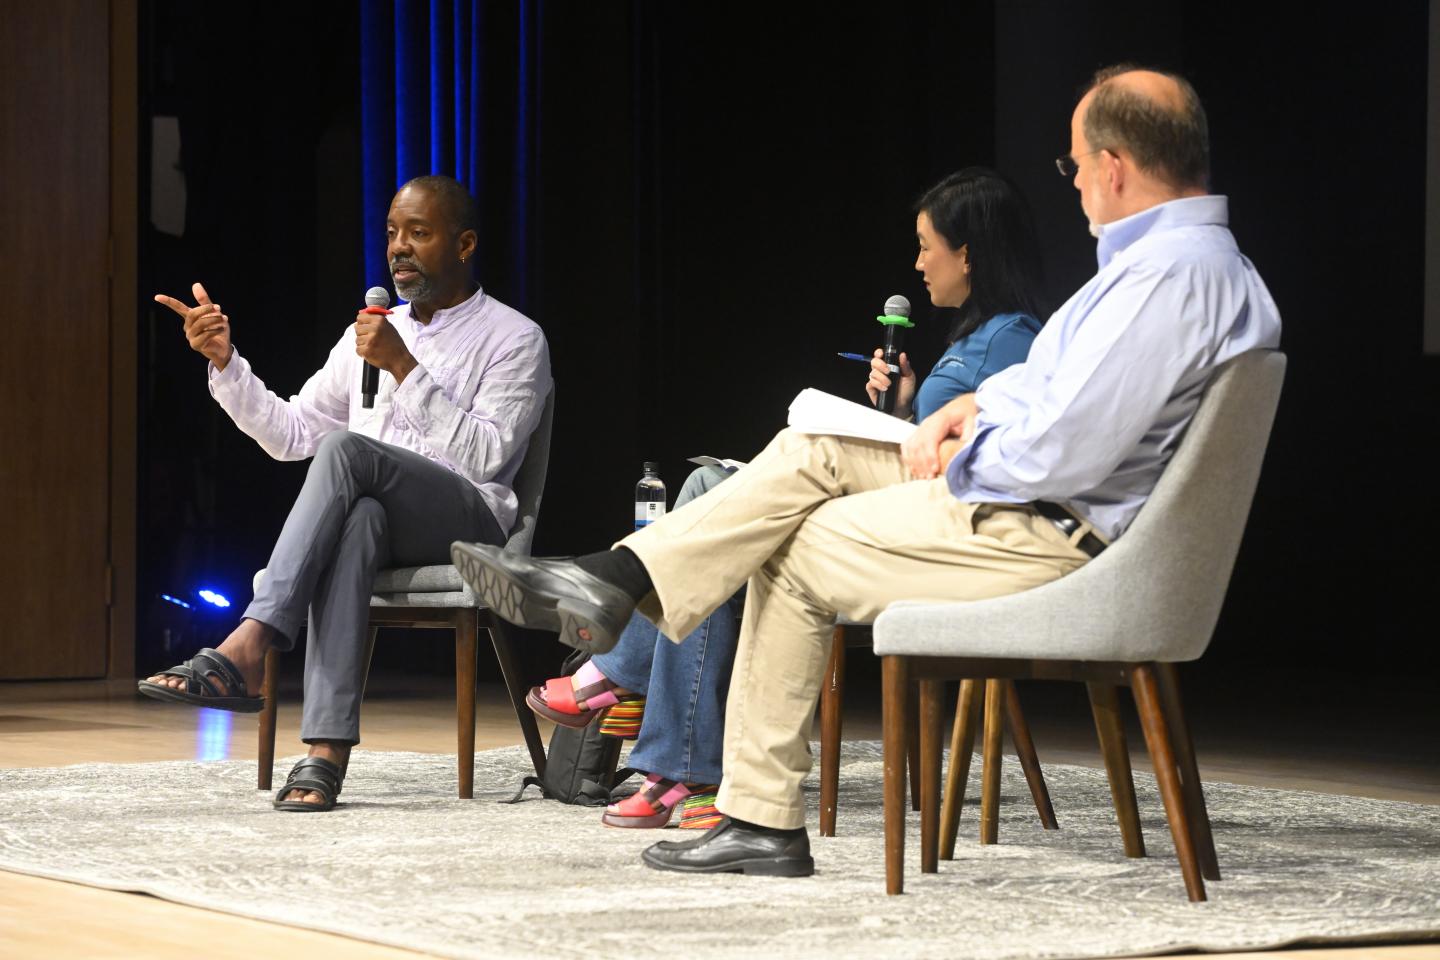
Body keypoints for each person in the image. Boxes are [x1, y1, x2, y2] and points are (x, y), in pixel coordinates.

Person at [453, 64, 1281, 876]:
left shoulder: (1168, 278)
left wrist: (968, 449)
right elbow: (1057, 390)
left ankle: (756, 812)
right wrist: (976, 408)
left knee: (796, 547)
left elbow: (1072, 449)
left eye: (1071, 165)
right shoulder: (1193, 266)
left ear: (1113, 167)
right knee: (814, 450)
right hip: (1045, 508)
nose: (1071, 185)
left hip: (1053, 533)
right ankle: (620, 580)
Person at [521, 168, 1048, 831]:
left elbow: (993, 464)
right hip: (899, 509)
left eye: (926, 245)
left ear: (968, 251)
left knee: (722, 505)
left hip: (936, 539)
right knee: (709, 492)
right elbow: (942, 442)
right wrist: (906, 409)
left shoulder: (1015, 340)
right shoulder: (975, 336)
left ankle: (633, 697)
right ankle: (670, 760)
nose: (917, 263)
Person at [139, 175, 552, 813]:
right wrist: (226, 362)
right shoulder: (369, 331)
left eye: (419, 233)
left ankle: (250, 641)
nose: (399, 248)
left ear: (464, 244)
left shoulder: (513, 338)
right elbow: (293, 433)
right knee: (357, 516)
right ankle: (326, 753)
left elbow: (489, 458)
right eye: (392, 233)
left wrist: (404, 369)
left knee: (348, 452)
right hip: (386, 516)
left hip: (469, 520)